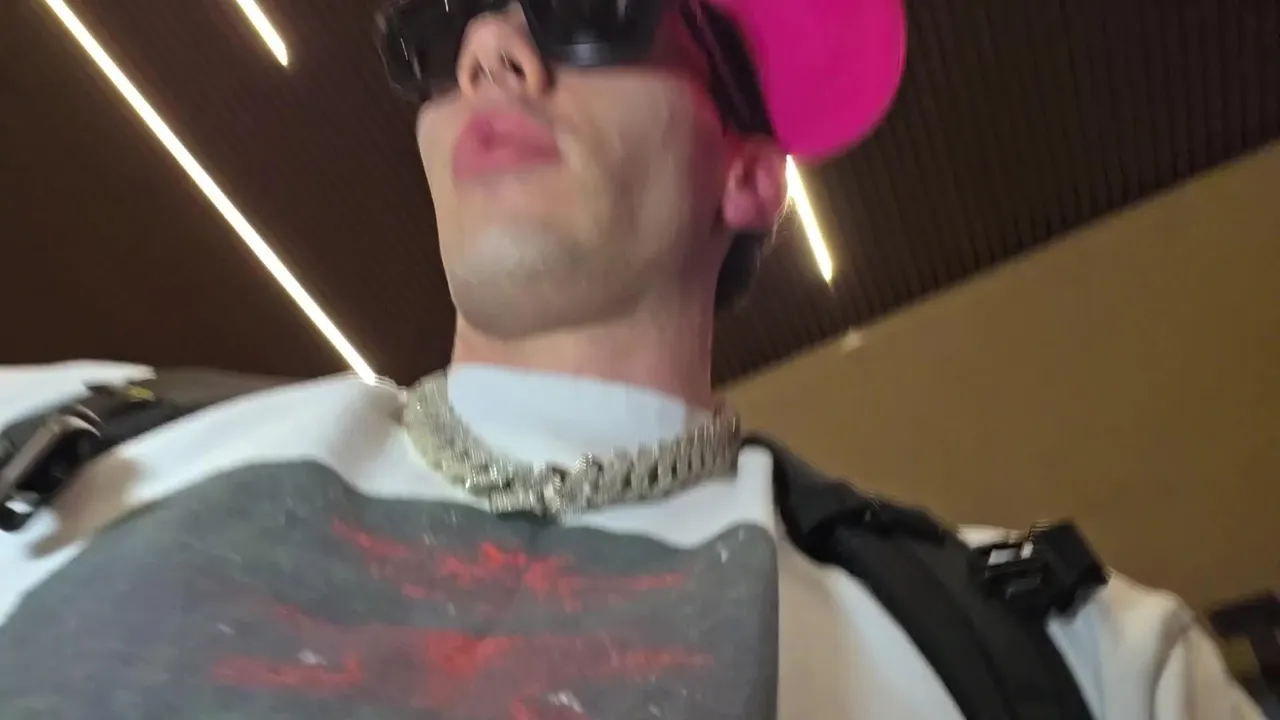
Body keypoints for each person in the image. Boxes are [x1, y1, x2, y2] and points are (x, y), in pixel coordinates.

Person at [0, 0, 1263, 717]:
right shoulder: (67, 440)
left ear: (749, 176)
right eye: (440, 27)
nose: (489, 52)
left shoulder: (1078, 665)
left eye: (587, 8)